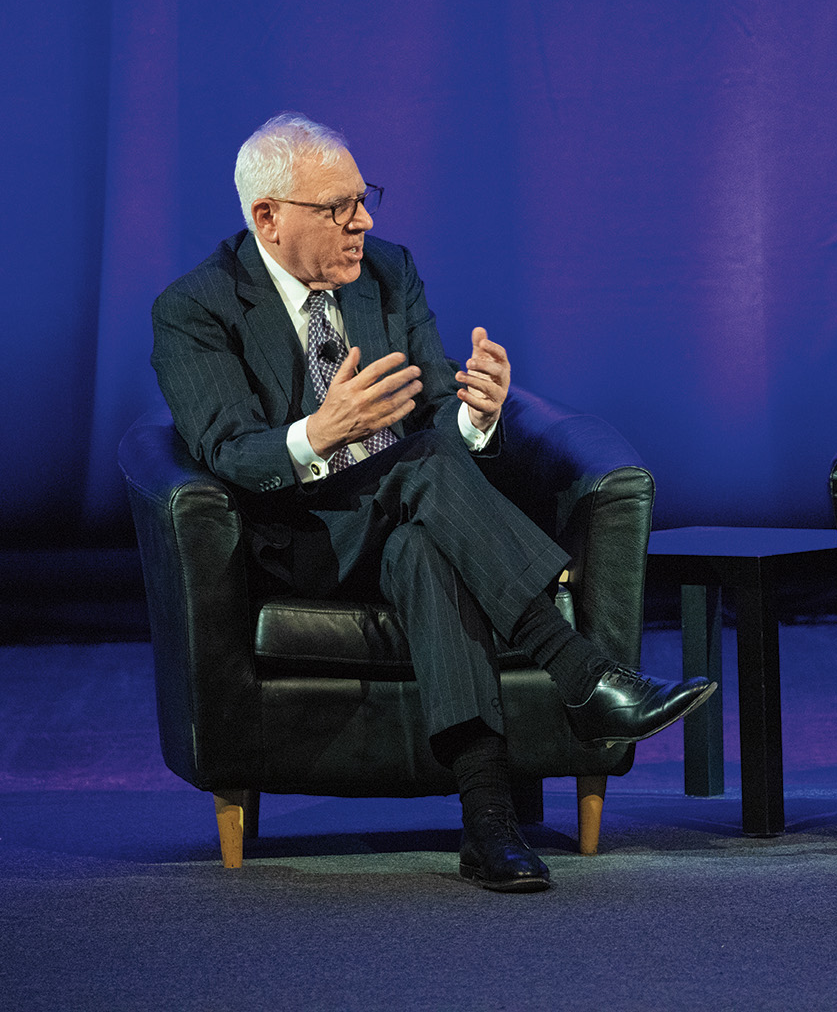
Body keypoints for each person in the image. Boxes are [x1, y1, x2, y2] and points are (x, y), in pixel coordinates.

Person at [151, 112, 715, 893]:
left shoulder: (389, 270)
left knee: (425, 538)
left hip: (407, 516)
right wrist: (319, 431)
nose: (364, 221)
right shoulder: (196, 307)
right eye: (339, 208)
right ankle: (582, 672)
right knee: (417, 473)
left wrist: (477, 414)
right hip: (300, 536)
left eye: (364, 198)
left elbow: (435, 414)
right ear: (267, 218)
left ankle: (489, 827)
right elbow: (227, 449)